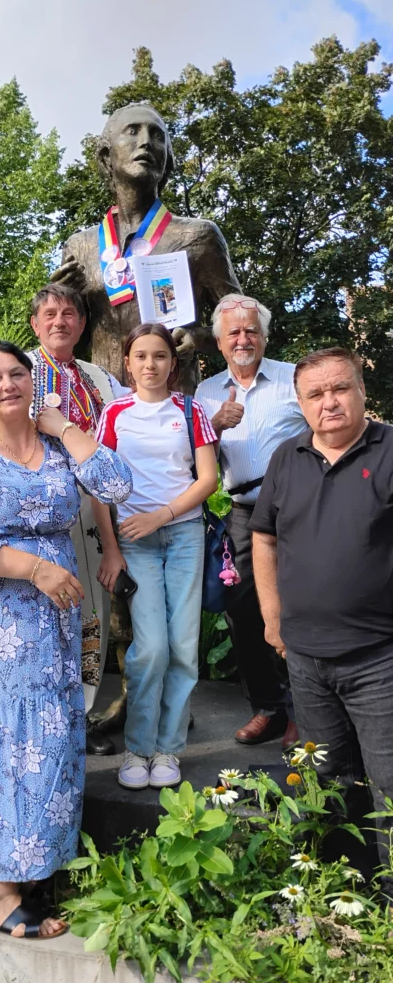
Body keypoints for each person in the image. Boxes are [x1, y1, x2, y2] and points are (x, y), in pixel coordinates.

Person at [0, 340, 131, 939]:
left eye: (17, 373)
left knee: (47, 737)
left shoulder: (56, 446)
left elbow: (116, 485)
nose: (7, 384)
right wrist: (35, 568)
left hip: (55, 621)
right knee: (5, 741)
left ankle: (31, 870)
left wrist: (66, 427)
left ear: (33, 381)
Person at [0, 284, 131, 756]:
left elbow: (121, 451)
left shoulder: (100, 379)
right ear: (35, 324)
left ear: (82, 324)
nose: (59, 322)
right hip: (7, 567)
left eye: (69, 314)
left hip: (82, 510)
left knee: (90, 620)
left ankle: (83, 711)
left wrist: (64, 429)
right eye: (49, 314)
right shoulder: (16, 365)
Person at [250, 345, 393, 892]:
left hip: (379, 656)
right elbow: (264, 537)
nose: (328, 402)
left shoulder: (389, 450)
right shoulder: (287, 457)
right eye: (315, 394)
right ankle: (344, 892)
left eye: (339, 389)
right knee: (329, 781)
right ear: (301, 403)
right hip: (306, 658)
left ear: (361, 390)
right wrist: (271, 615)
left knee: (390, 783)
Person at [96, 323, 218, 789]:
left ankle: (168, 749)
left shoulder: (190, 410)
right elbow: (98, 486)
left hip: (183, 536)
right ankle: (138, 748)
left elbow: (207, 479)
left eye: (160, 355)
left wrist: (161, 516)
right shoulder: (114, 412)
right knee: (150, 649)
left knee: (184, 648)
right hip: (134, 542)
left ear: (173, 362)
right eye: (141, 356)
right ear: (128, 364)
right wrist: (111, 549)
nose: (151, 364)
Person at [51, 102, 241, 394]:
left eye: (157, 135)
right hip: (104, 405)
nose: (146, 142)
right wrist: (64, 306)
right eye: (132, 131)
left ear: (168, 159)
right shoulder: (81, 246)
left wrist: (196, 337)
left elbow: (242, 325)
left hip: (172, 403)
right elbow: (74, 348)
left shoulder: (198, 236)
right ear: (106, 157)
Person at [195, 294, 307, 748]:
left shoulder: (292, 378)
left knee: (300, 605)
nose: (242, 339)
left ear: (264, 336)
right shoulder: (206, 393)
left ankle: (308, 713)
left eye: (250, 330)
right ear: (220, 342)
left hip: (301, 508)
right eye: (233, 333)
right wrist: (214, 426)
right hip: (244, 510)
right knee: (241, 607)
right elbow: (191, 461)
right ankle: (269, 708)